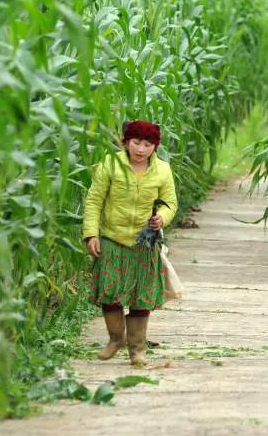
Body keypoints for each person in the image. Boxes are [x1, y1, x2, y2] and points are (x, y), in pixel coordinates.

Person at [82, 120, 178, 366]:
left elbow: (170, 203)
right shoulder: (110, 164)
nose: (141, 149)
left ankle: (137, 349)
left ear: (155, 147)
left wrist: (161, 218)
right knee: (110, 293)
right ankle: (116, 339)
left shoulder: (163, 170)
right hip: (113, 239)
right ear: (126, 142)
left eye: (148, 144)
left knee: (141, 297)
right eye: (136, 142)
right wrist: (91, 234)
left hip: (144, 242)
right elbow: (94, 200)